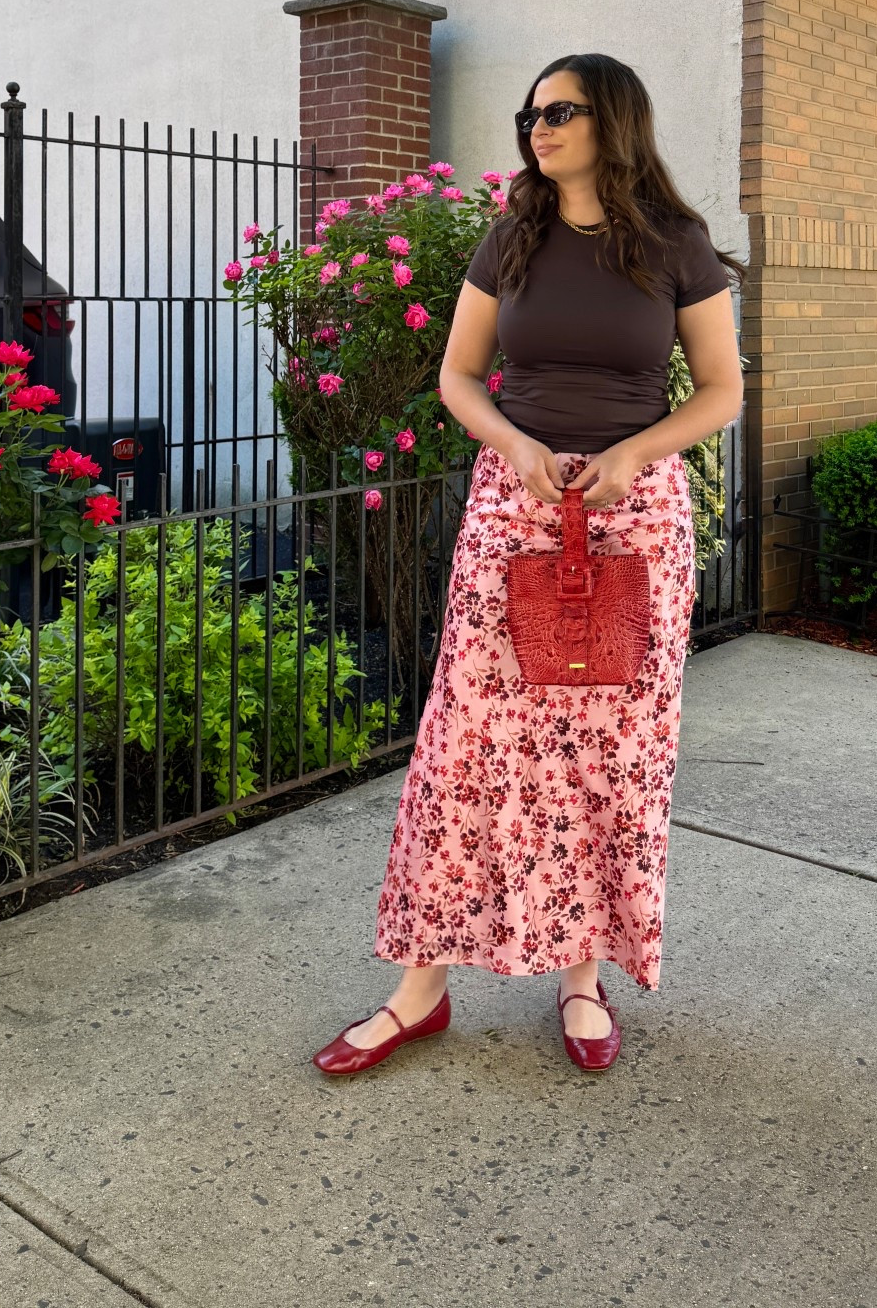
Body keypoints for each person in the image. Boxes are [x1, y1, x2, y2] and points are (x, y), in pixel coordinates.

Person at [312, 53, 746, 1076]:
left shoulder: (675, 247)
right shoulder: (512, 238)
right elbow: (459, 374)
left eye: (559, 111)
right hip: (515, 509)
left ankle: (583, 974)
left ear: (614, 122)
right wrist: (514, 448)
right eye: (530, 113)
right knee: (468, 743)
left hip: (637, 520)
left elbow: (721, 388)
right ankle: (420, 990)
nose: (536, 127)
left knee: (609, 754)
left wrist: (637, 451)